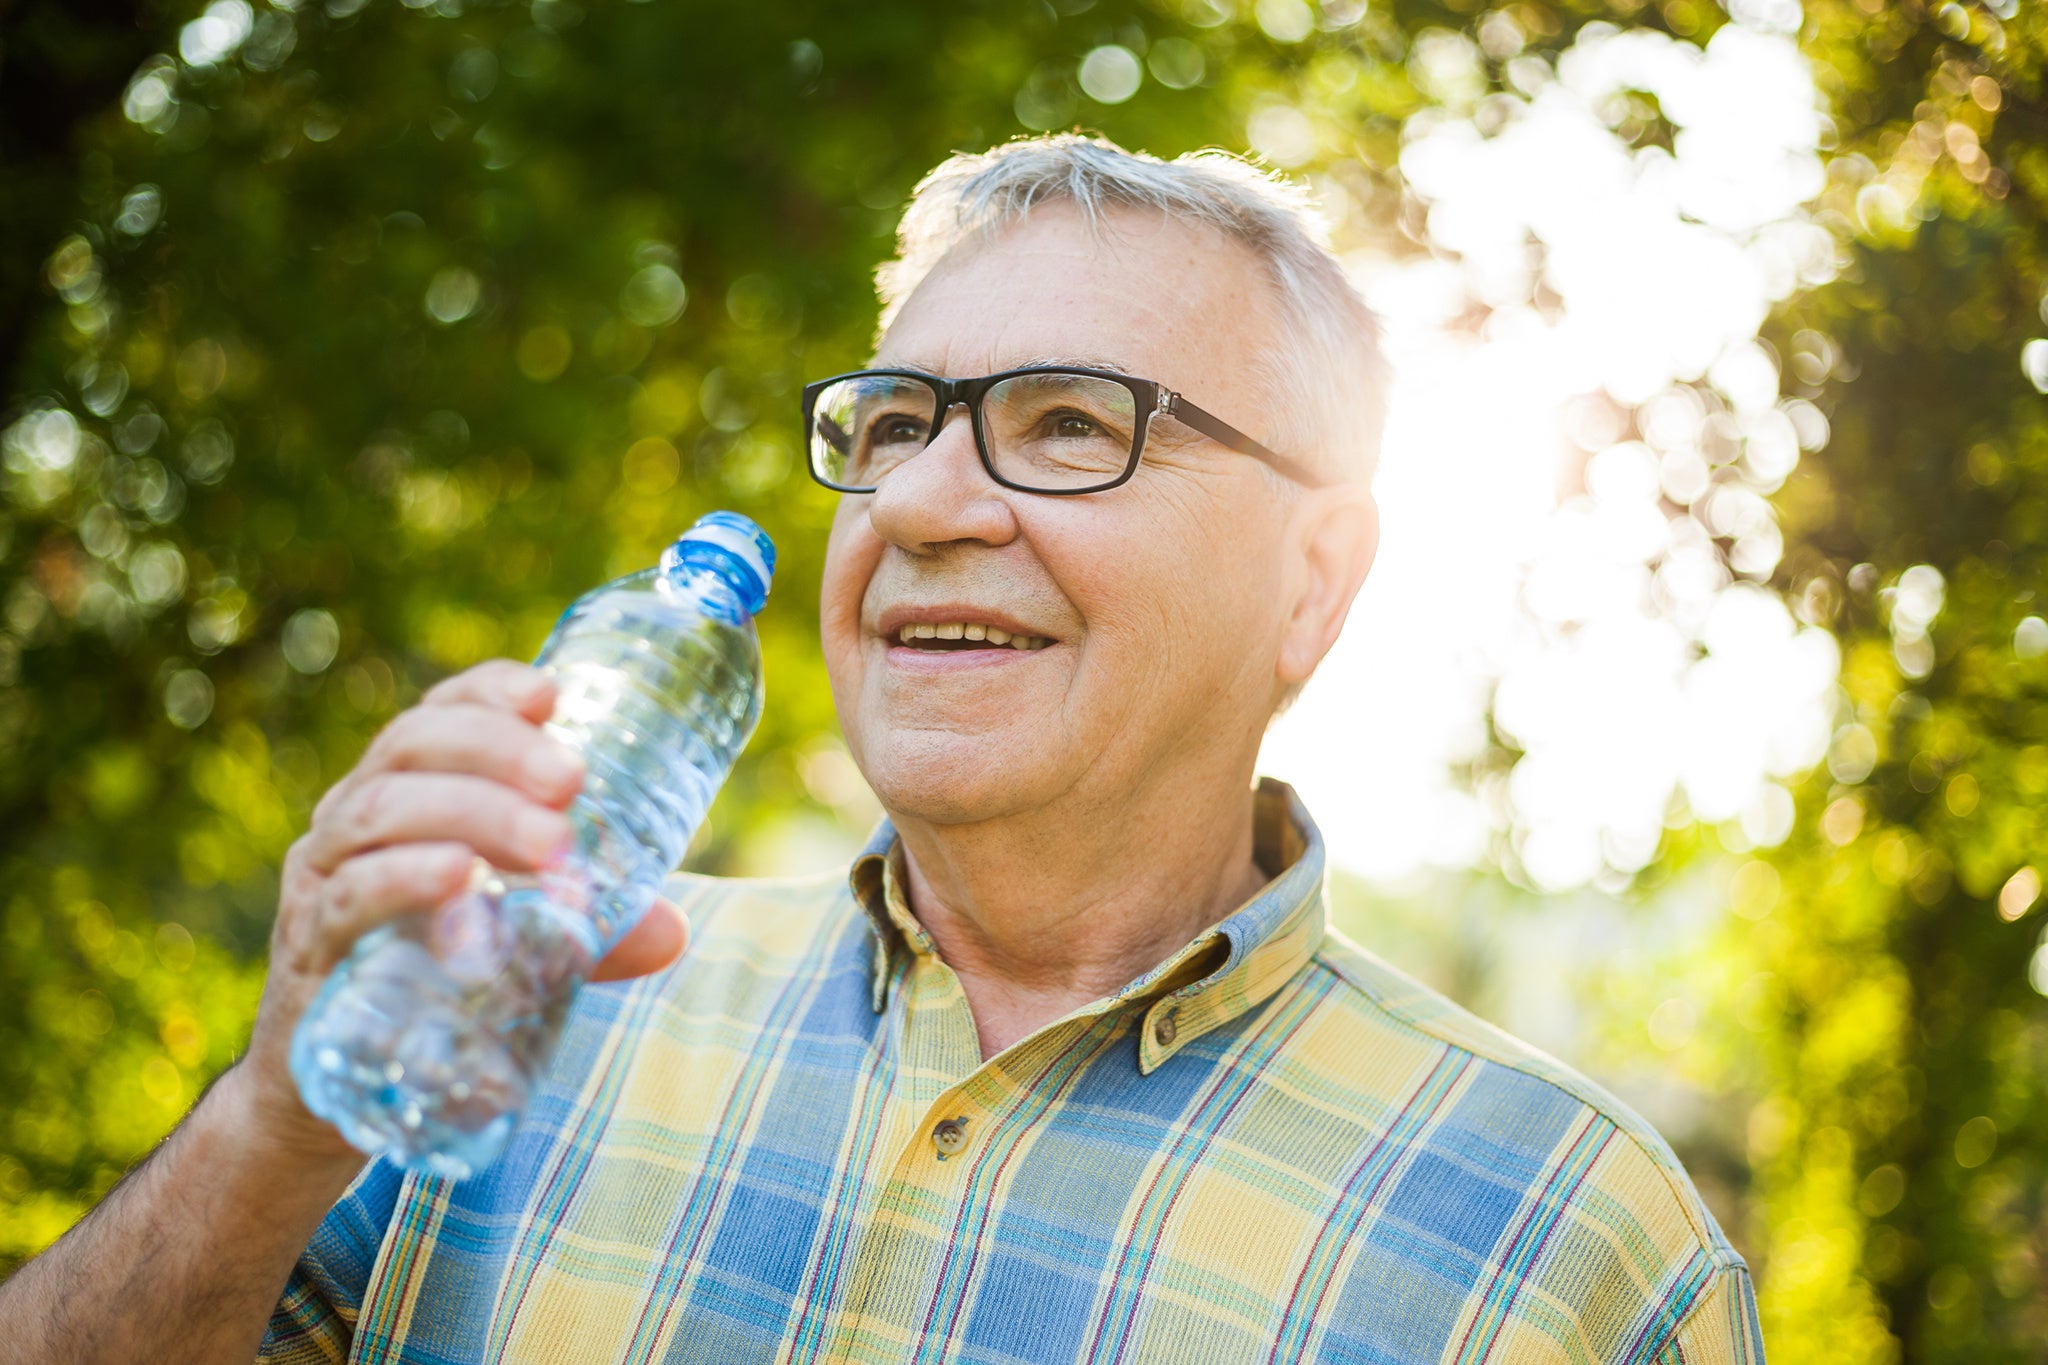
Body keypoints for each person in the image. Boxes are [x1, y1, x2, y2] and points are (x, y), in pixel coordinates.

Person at [0, 135, 1764, 1364]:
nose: (919, 499)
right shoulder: (517, 1003)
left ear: (1314, 581)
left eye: (1071, 422)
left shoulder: (1572, 1245)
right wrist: (272, 1117)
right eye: (897, 421)